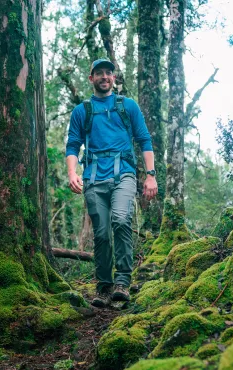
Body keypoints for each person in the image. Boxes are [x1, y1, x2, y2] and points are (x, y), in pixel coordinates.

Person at [65, 58, 158, 308]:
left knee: (120, 219)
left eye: (109, 73)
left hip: (123, 175)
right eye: (99, 73)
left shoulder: (128, 106)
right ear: (91, 78)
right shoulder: (81, 111)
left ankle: (123, 281)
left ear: (114, 78)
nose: (104, 77)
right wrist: (72, 173)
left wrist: (151, 174)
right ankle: (104, 287)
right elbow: (73, 145)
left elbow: (144, 140)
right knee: (102, 233)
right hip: (94, 178)